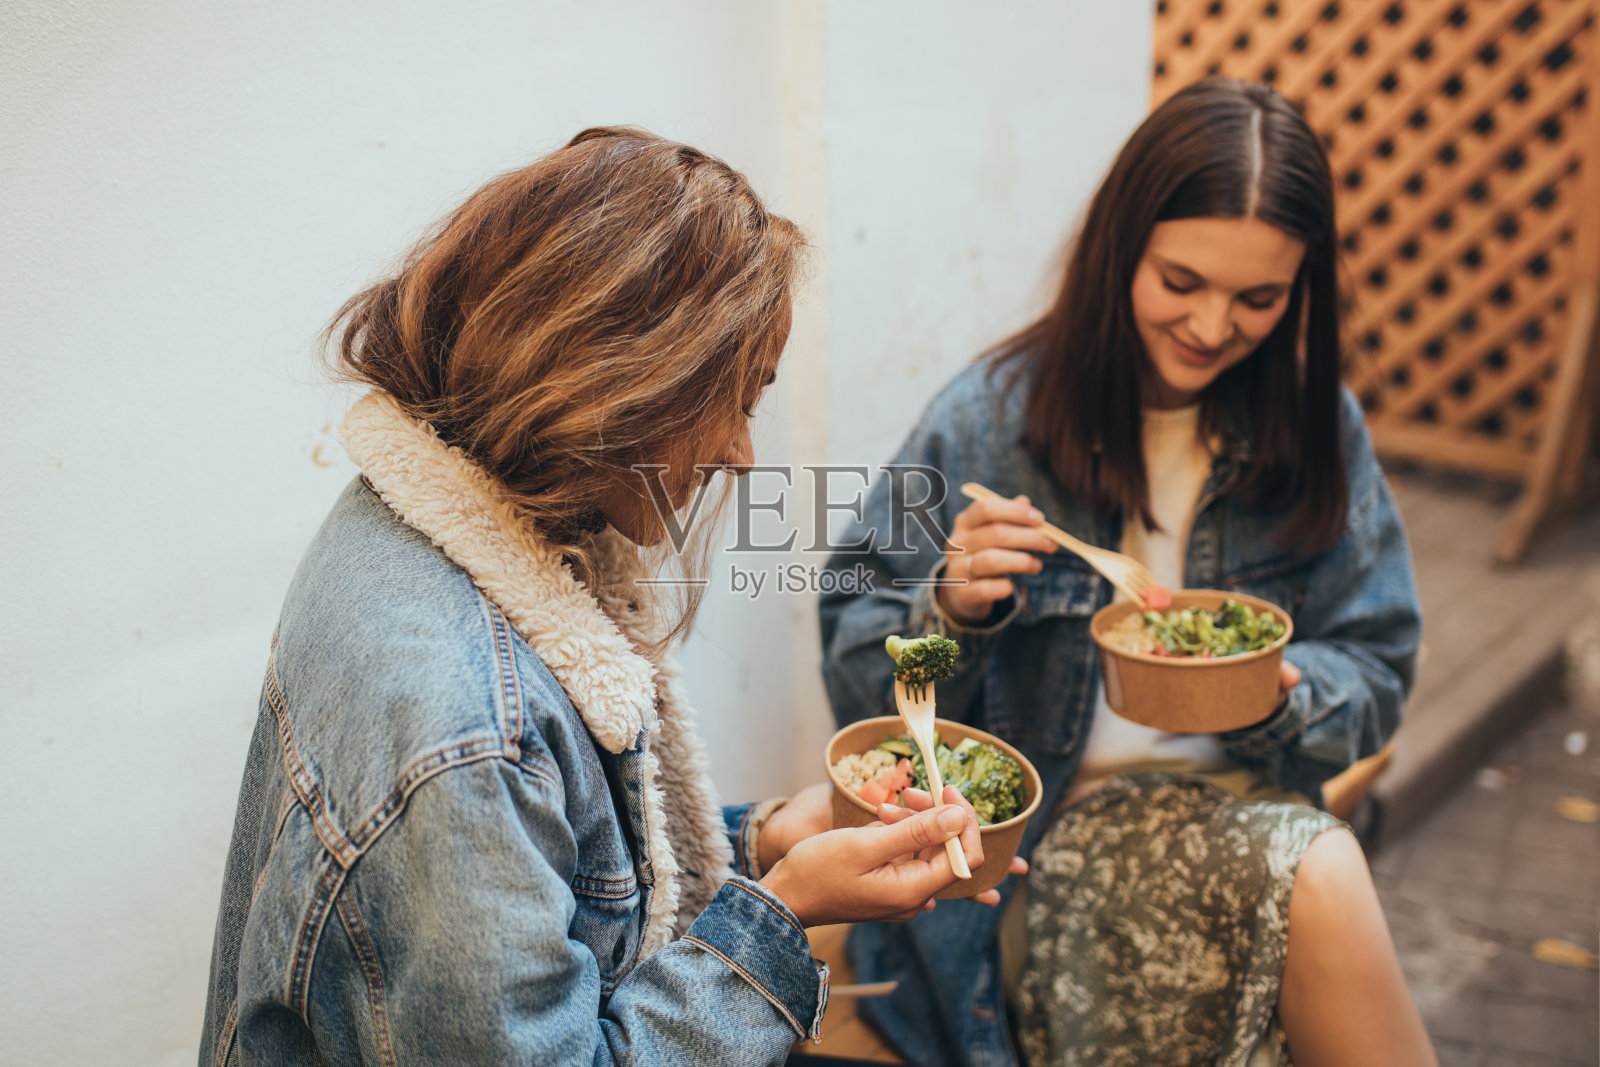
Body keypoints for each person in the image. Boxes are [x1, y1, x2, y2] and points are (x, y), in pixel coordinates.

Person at [197, 127, 1006, 1067]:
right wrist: (784, 915)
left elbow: (562, 885)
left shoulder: (414, 523)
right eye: (735, 399)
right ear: (621, 379)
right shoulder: (457, 716)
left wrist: (765, 842)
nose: (743, 453)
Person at [818, 79, 1438, 1067]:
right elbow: (857, 669)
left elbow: (1376, 663)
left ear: (1301, 290)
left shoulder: (1320, 430)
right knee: (1318, 879)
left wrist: (1281, 694)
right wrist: (950, 603)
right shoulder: (988, 418)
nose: (1210, 325)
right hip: (1042, 839)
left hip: (1252, 802)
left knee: (1310, 870)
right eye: (1180, 281)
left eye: (1258, 298)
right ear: (1121, 251)